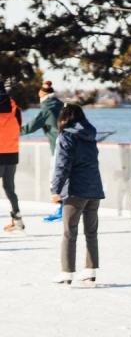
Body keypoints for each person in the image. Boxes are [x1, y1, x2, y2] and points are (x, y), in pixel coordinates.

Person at [51, 104, 105, 285]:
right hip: (94, 189)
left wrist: (55, 190)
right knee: (91, 232)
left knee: (69, 232)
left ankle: (66, 272)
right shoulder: (90, 135)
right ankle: (90, 271)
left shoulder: (66, 136)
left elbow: (62, 165)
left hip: (75, 190)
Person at [21, 80, 64, 222]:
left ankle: (63, 210)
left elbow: (29, 128)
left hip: (58, 149)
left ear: (43, 96)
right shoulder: (63, 106)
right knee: (67, 179)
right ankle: (65, 209)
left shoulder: (47, 109)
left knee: (55, 181)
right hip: (72, 148)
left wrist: (7, 132)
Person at [0, 79, 24, 232]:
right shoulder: (16, 109)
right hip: (12, 152)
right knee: (9, 188)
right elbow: (19, 127)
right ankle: (17, 220)